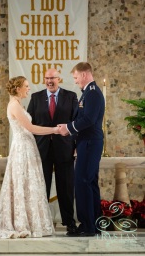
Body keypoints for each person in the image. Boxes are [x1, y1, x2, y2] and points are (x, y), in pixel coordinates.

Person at [0, 76, 60, 239]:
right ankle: (21, 222)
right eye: (26, 86)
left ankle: (31, 221)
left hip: (27, 146)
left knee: (28, 184)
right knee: (22, 183)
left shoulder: (18, 104)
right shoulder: (14, 105)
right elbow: (31, 128)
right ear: (18, 88)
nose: (28, 89)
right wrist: (54, 130)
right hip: (22, 148)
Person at [27, 68, 78, 235]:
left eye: (53, 78)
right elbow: (29, 124)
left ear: (59, 79)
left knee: (66, 187)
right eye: (47, 78)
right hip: (41, 150)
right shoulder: (35, 98)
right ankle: (40, 223)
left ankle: (69, 223)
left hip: (65, 149)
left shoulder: (70, 97)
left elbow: (77, 123)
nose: (50, 81)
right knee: (42, 187)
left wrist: (76, 145)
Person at [58, 62, 105, 237]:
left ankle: (86, 226)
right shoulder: (88, 93)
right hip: (88, 142)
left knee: (82, 182)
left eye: (76, 77)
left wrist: (68, 128)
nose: (75, 80)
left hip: (90, 143)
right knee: (90, 182)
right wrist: (76, 142)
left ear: (84, 75)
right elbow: (84, 119)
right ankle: (94, 224)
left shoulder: (92, 94)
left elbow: (89, 120)